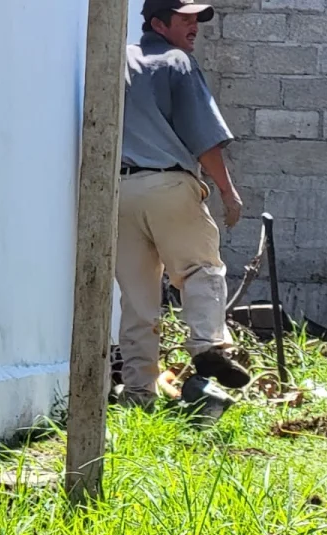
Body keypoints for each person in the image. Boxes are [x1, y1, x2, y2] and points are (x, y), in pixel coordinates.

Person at [115, 0, 250, 410]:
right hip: (169, 185)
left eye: (197, 18)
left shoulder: (114, 59)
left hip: (117, 192)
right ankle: (208, 347)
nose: (194, 25)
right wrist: (227, 191)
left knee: (137, 301)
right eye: (185, 18)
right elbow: (204, 137)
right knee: (200, 270)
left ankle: (139, 395)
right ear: (158, 23)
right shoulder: (177, 62)